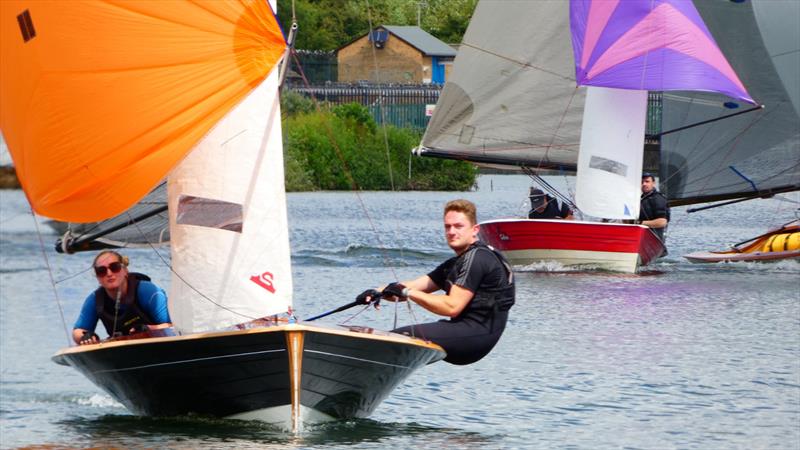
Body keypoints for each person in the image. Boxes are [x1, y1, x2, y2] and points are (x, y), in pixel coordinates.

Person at [356, 199, 514, 365]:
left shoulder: (477, 259)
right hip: (464, 332)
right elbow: (415, 285)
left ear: (475, 230)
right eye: (448, 227)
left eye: (458, 226)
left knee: (395, 339)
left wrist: (408, 293)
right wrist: (376, 292)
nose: (452, 232)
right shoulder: (457, 262)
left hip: (476, 336)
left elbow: (451, 306)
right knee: (390, 340)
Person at [72, 250, 172, 345]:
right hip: (122, 352)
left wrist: (148, 328)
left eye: (114, 267)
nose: (109, 273)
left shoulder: (149, 291)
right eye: (101, 271)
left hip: (158, 345)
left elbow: (171, 326)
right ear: (98, 278)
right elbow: (77, 331)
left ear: (125, 270)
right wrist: (84, 337)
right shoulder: (94, 300)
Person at [639, 172, 670, 244]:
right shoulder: (640, 199)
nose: (644, 184)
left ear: (653, 183)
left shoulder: (658, 199)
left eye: (647, 181)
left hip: (654, 240)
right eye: (642, 182)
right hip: (640, 238)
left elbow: (662, 222)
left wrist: (639, 223)